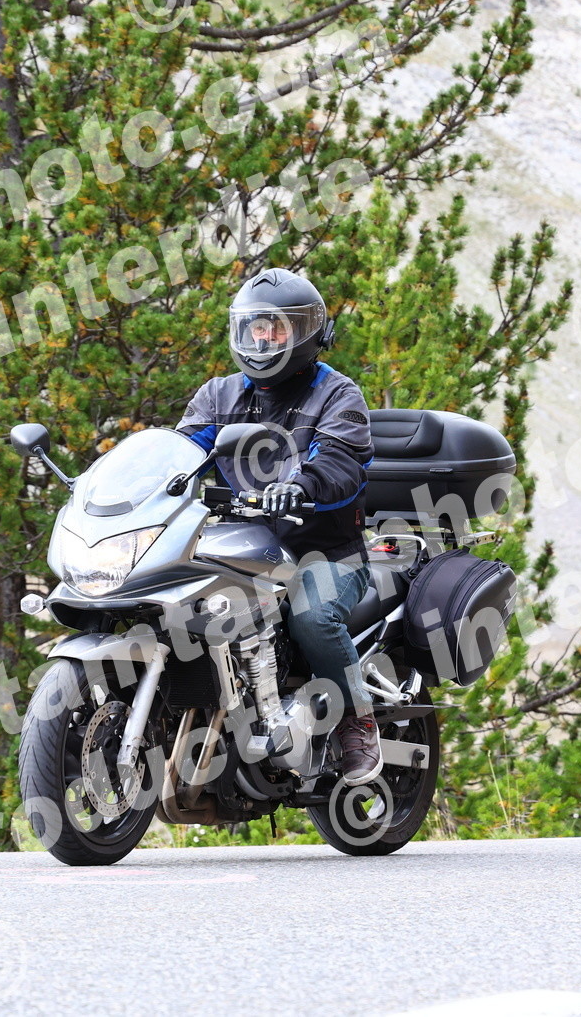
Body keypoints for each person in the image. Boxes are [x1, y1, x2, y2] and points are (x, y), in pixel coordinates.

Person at [175, 267, 381, 783]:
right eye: (256, 328)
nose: (264, 340)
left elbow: (341, 461)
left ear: (307, 333)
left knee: (313, 617)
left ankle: (357, 720)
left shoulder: (338, 395)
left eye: (277, 329)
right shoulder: (218, 396)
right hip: (238, 548)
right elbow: (179, 452)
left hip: (323, 552)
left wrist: (302, 484)